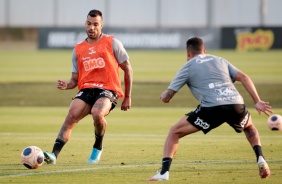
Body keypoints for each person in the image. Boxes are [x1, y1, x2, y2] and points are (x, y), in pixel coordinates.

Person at [148, 37, 272, 181]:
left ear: (188, 54)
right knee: (249, 127)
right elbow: (244, 77)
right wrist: (257, 101)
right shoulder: (220, 60)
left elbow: (168, 96)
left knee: (174, 132)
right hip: (235, 104)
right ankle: (261, 158)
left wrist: (164, 96)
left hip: (212, 108)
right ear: (204, 51)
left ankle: (164, 173)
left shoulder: (187, 67)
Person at [43, 9, 133, 165]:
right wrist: (67, 85)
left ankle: (97, 147)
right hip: (86, 89)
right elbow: (74, 79)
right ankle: (53, 155)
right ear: (85, 24)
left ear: (101, 25)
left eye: (95, 24)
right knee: (71, 116)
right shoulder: (78, 49)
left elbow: (128, 68)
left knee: (97, 113)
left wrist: (128, 96)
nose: (92, 27)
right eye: (89, 24)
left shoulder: (112, 42)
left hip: (107, 89)